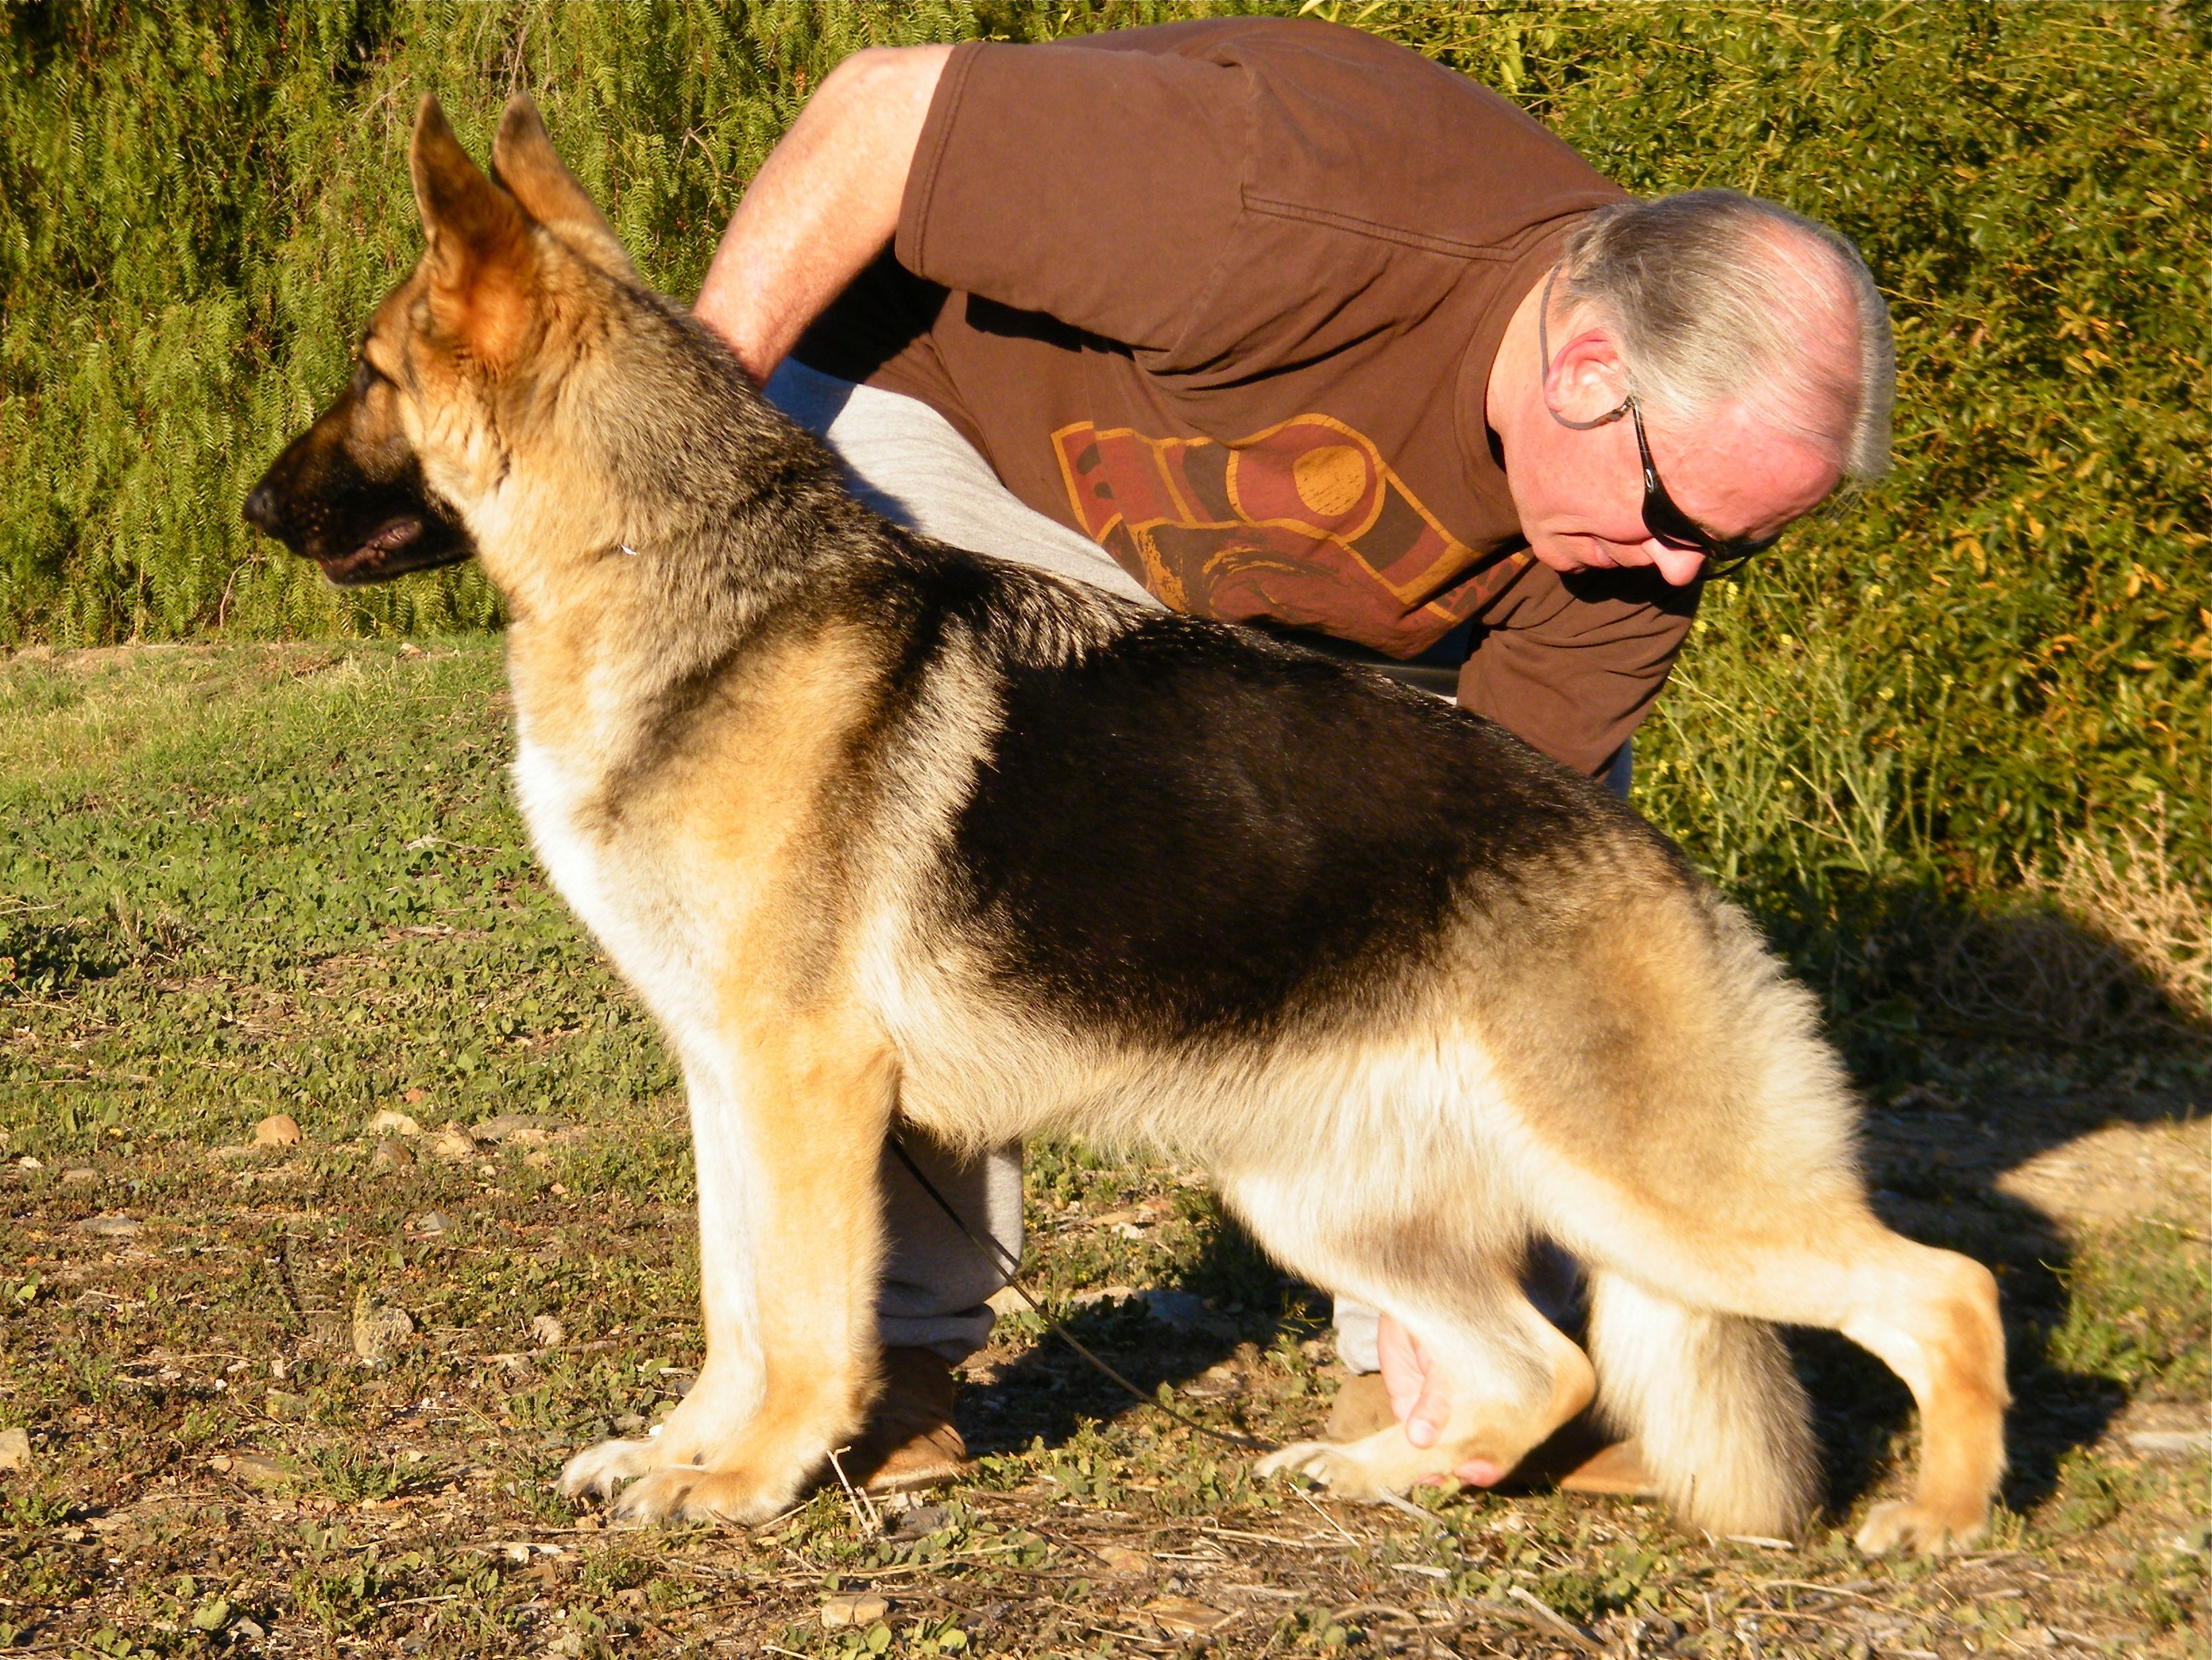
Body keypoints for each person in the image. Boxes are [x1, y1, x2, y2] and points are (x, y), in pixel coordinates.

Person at [689, 17, 1893, 1493]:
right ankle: (885, 1357)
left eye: (1740, 544)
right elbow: (881, 118)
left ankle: (1467, 1346)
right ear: (1588, 370)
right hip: (963, 433)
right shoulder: (1281, 199)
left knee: (1513, 871)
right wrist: (700, 434)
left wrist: (1426, 1288)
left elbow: (1459, 920)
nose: (1681, 570)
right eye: (1682, 518)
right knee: (911, 844)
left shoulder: (1633, 555)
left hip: (1286, 608)